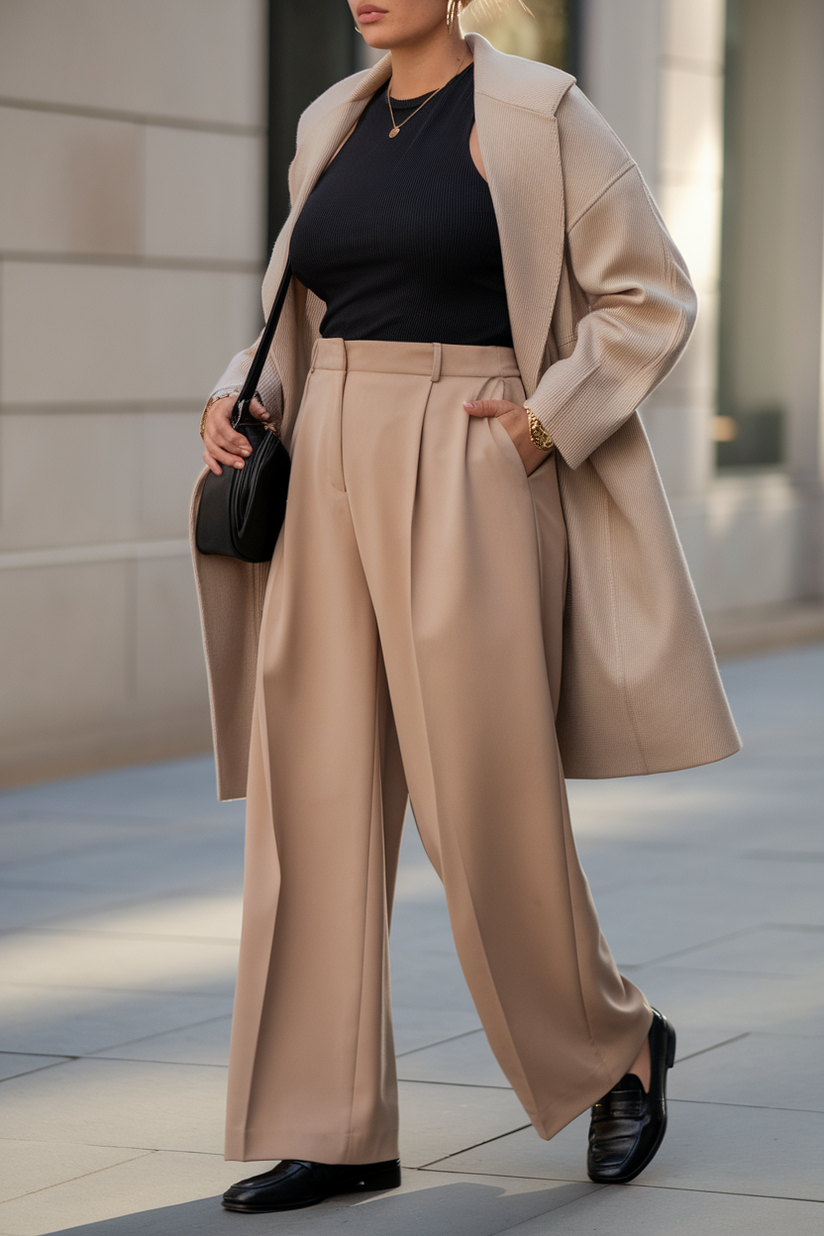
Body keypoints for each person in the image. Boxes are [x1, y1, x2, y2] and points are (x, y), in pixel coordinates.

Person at [192, 0, 740, 1214]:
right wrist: (246, 394)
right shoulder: (327, 122)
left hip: (470, 453)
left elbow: (648, 294)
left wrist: (546, 423)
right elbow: (299, 314)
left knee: (481, 792)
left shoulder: (541, 112)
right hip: (328, 445)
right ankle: (328, 1126)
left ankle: (616, 1049)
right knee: (313, 795)